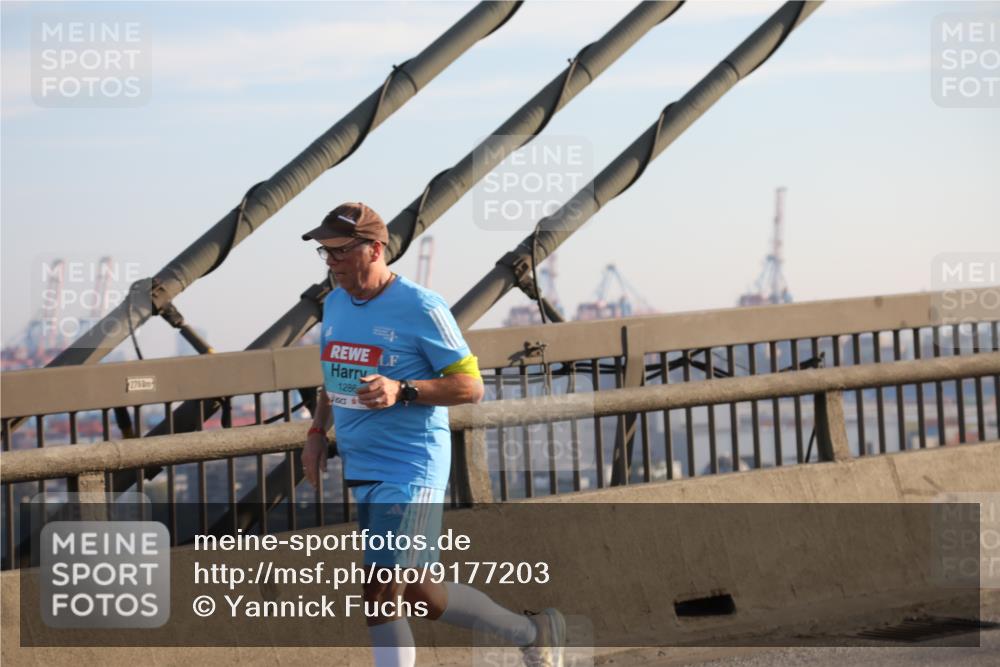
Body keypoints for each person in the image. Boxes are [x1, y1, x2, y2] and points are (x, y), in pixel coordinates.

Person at [300, 202, 565, 667]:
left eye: (340, 251)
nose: (332, 262)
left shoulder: (422, 306)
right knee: (422, 595)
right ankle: (533, 631)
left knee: (380, 591)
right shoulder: (335, 303)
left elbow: (471, 386)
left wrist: (402, 389)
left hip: (410, 465)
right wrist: (318, 431)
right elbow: (334, 373)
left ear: (375, 249)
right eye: (325, 252)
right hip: (364, 465)